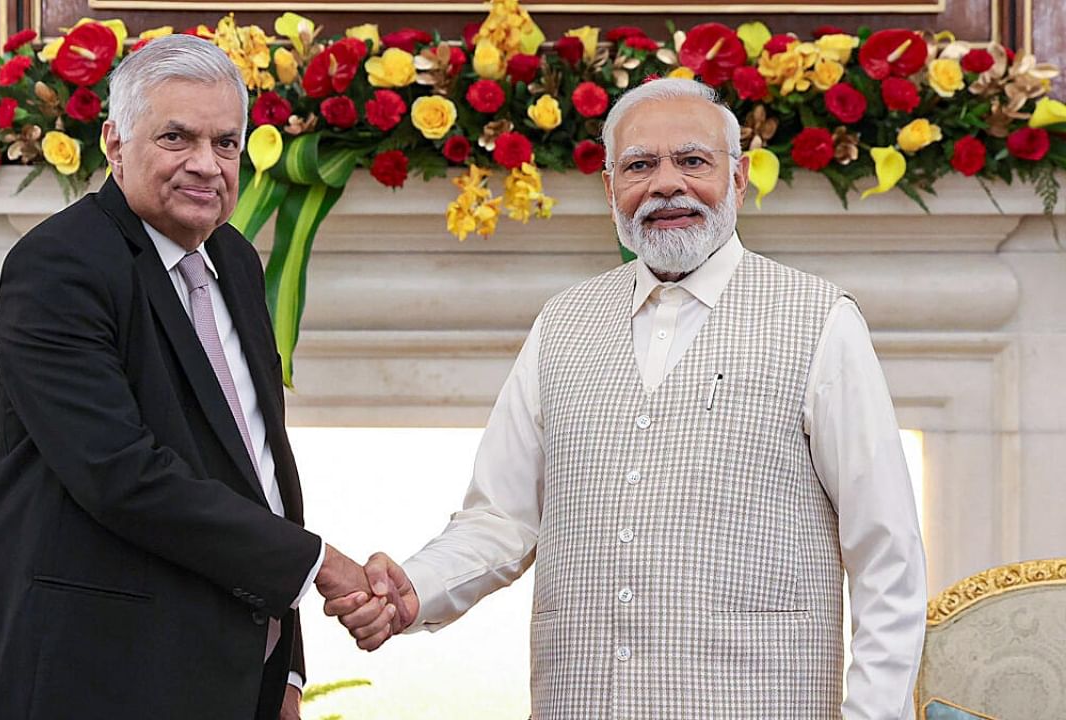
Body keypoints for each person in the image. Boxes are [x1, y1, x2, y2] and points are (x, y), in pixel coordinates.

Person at [331, 78, 927, 719]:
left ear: (739, 178)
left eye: (693, 161)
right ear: (611, 188)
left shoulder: (820, 321)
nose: (667, 183)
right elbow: (501, 516)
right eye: (641, 165)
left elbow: (886, 553)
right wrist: (416, 588)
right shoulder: (563, 322)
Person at [0, 35, 387, 720]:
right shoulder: (59, 266)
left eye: (226, 143)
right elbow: (120, 474)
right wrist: (316, 564)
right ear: (115, 144)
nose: (205, 165)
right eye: (176, 137)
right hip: (92, 672)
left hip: (229, 671)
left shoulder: (232, 260)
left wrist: (286, 668)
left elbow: (257, 473)